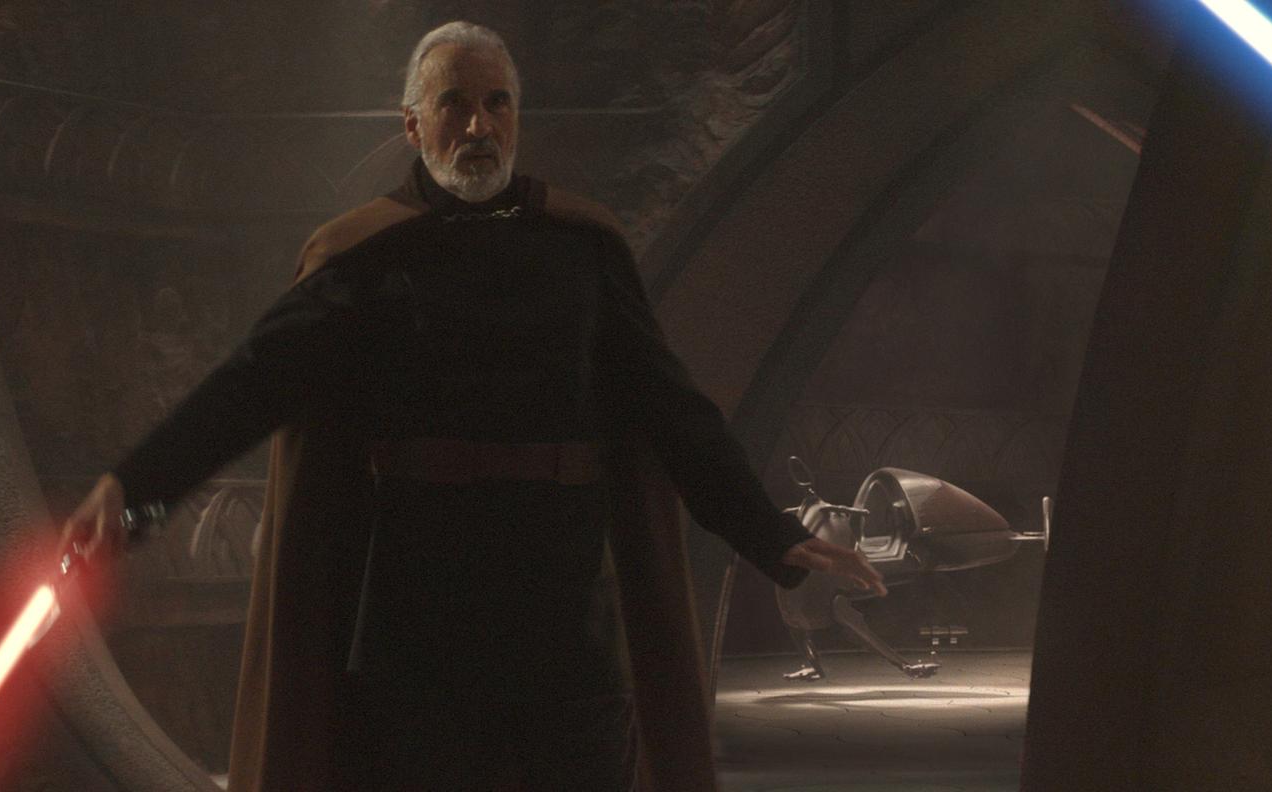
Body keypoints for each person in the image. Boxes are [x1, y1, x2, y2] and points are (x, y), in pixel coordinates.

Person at [58, 20, 885, 792]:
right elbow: (250, 384)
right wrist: (134, 492)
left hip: (561, 613)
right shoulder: (367, 255)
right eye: (454, 104)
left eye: (497, 103)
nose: (479, 126)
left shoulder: (583, 248)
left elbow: (671, 409)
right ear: (414, 125)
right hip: (418, 621)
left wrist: (773, 536)